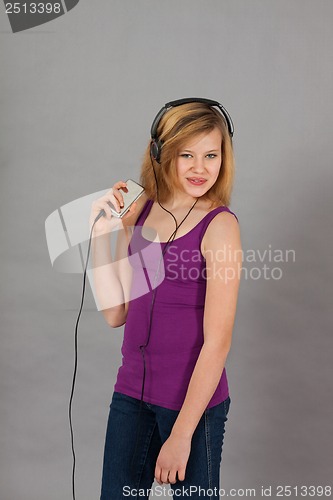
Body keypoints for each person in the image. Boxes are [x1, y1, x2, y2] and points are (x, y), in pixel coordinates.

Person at [89, 99, 242, 499]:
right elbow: (115, 313)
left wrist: (181, 435)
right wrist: (100, 236)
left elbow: (218, 341)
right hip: (131, 395)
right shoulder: (140, 210)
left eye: (211, 155)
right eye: (186, 155)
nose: (199, 167)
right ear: (161, 153)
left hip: (193, 406)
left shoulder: (220, 226)